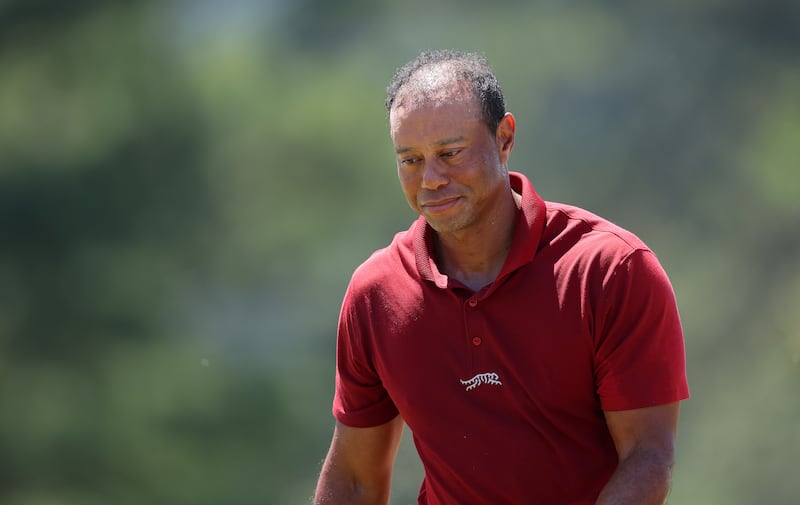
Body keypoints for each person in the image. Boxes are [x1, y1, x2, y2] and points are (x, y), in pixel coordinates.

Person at [313, 49, 689, 505]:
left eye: (450, 153)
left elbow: (647, 457)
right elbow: (354, 481)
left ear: (504, 138)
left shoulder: (611, 270)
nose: (430, 179)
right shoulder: (376, 293)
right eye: (410, 160)